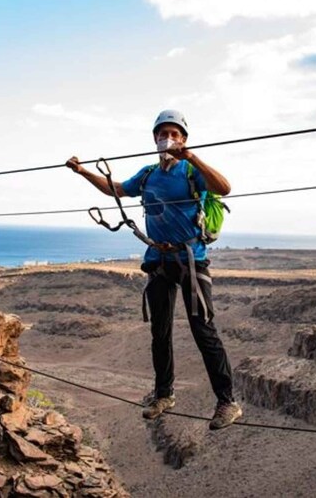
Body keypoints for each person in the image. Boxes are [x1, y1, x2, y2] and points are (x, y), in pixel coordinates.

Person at [65, 109, 243, 430]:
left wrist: (194, 157)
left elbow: (224, 187)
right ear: (155, 139)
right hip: (159, 260)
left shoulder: (191, 171)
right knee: (159, 331)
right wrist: (82, 172)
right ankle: (163, 394)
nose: (168, 139)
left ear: (184, 139)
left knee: (203, 331)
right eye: (163, 134)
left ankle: (227, 402)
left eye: (175, 134)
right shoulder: (148, 174)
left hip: (191, 260)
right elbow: (116, 189)